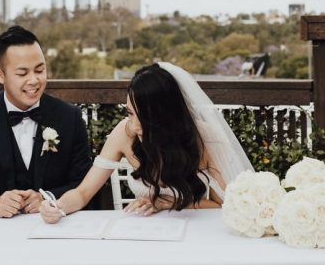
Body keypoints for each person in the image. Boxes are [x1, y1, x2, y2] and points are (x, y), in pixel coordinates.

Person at [40, 62, 252, 222]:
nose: (134, 126)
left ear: (167, 117)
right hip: (142, 231)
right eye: (130, 113)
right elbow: (82, 192)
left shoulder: (204, 137)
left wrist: (168, 203)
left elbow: (223, 205)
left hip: (195, 232)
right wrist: (58, 207)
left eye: (145, 118)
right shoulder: (124, 132)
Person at [0, 26, 92, 216]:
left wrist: (47, 197)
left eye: (39, 70)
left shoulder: (70, 117)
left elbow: (86, 184)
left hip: (54, 231)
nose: (34, 80)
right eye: (22, 73)